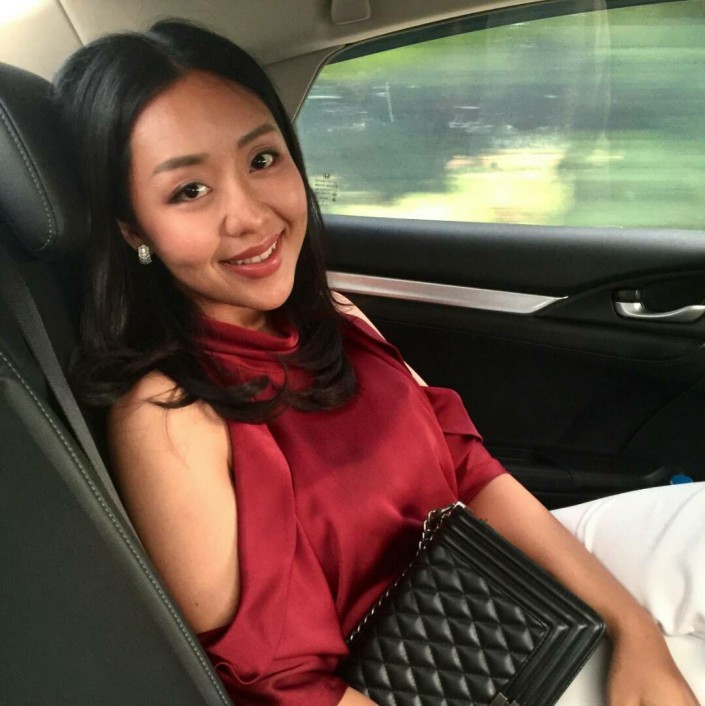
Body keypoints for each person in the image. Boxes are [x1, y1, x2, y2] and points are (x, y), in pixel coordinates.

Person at [53, 19, 703, 706]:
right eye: (189, 191)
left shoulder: (334, 316)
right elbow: (283, 688)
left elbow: (469, 474)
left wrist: (635, 632)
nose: (249, 215)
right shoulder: (170, 414)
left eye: (262, 160)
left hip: (491, 586)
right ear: (132, 226)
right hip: (425, 680)